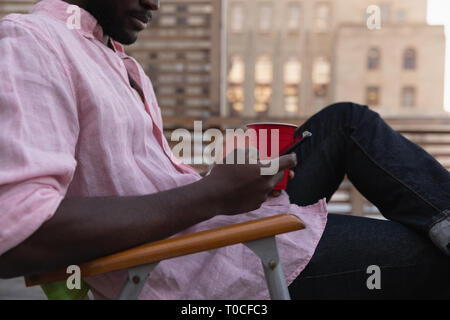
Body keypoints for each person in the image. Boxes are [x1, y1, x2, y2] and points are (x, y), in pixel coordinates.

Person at [0, 0, 448, 300]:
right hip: (190, 274)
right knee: (431, 260)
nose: (155, 3)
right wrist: (212, 195)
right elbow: (18, 237)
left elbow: (139, 183)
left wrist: (221, 185)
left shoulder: (117, 60)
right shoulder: (33, 42)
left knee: (345, 122)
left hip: (209, 228)